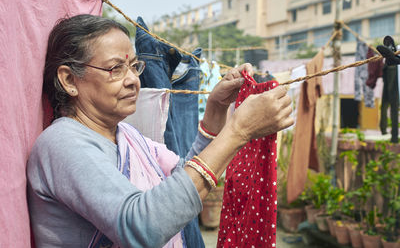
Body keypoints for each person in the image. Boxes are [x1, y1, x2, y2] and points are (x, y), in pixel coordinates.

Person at [27, 14, 294, 248]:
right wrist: (238, 131)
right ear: (69, 80)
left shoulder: (126, 134)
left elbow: (182, 184)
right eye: (115, 69)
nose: (133, 80)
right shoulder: (63, 143)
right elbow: (142, 227)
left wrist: (216, 109)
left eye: (133, 67)